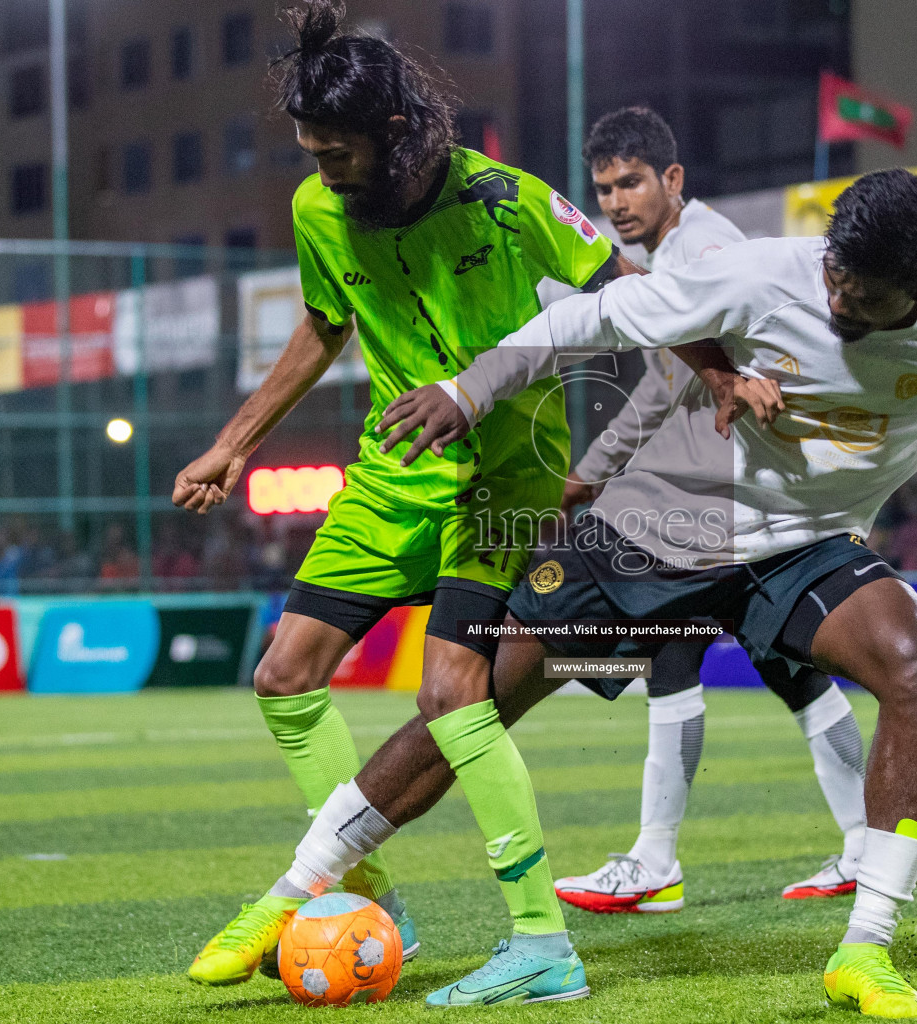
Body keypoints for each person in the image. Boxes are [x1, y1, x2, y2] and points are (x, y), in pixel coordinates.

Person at [245, 168, 917, 1016]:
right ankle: (297, 885)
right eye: (837, 270)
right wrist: (468, 392)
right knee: (477, 696)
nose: (841, 295)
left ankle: (866, 946)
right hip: (662, 525)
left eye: (865, 288)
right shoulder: (762, 276)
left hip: (801, 548)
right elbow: (594, 315)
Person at [171, 1, 675, 1000]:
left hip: (505, 475)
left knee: (450, 699)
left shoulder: (505, 197)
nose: (323, 175)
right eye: (311, 154)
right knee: (284, 675)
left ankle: (542, 942)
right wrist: (234, 444)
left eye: (337, 156)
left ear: (395, 131)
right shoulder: (323, 213)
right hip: (393, 470)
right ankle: (359, 894)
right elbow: (325, 324)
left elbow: (631, 286)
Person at [549, 106, 868, 915]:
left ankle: (655, 861)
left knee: (670, 658)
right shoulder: (664, 257)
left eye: (631, 182)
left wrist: (592, 474)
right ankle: (861, 846)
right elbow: (667, 382)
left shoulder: (708, 251)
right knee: (785, 671)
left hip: (727, 503)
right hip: (738, 499)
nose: (617, 202)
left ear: (673, 180)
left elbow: (744, 364)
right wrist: (595, 472)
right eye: (605, 188)